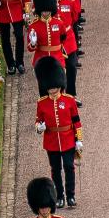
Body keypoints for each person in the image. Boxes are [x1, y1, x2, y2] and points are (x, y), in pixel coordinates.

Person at [35, 57, 82, 209]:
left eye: (55, 87)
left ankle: (71, 195)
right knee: (55, 170)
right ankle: (59, 196)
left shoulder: (69, 100)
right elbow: (38, 121)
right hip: (51, 141)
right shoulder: (42, 103)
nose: (53, 90)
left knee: (69, 167)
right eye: (50, 87)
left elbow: (76, 122)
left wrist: (78, 140)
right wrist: (39, 128)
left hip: (68, 139)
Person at [42, 0, 81, 104]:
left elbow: (75, 17)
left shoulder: (69, 2)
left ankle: (72, 94)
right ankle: (60, 95)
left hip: (68, 40)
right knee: (57, 69)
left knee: (71, 67)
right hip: (54, 41)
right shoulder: (46, 6)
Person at [27, 0, 68, 84]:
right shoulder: (33, 26)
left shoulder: (58, 23)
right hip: (41, 59)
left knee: (59, 85)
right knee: (43, 88)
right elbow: (30, 48)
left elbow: (63, 37)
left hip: (57, 58)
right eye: (43, 10)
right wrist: (33, 43)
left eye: (48, 10)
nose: (46, 13)